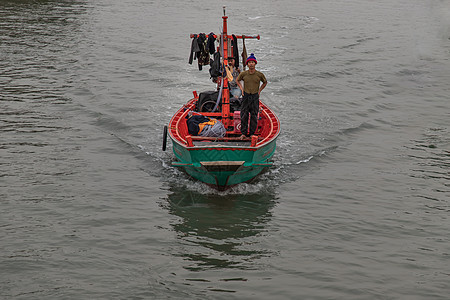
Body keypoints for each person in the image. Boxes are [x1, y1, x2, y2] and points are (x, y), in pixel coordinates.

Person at [236, 53, 267, 138]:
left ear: (255, 63)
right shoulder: (244, 74)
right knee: (244, 115)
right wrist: (241, 89)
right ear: (247, 64)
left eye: (253, 62)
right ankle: (243, 133)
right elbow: (237, 80)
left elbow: (265, 82)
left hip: (254, 96)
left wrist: (259, 91)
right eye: (249, 62)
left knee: (254, 115)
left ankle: (252, 134)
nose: (251, 64)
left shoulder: (259, 74)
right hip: (246, 96)